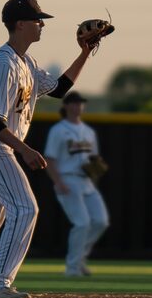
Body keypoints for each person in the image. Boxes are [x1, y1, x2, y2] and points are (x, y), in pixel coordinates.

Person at [0, 0, 97, 298]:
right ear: (19, 24)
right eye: (37, 19)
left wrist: (84, 53)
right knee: (25, 208)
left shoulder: (25, 62)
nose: (42, 24)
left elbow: (57, 89)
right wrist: (25, 150)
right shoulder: (3, 64)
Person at [44, 91, 110, 277]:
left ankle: (79, 258)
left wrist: (95, 176)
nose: (77, 106)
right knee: (82, 223)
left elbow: (93, 159)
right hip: (67, 178)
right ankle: (72, 267)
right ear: (66, 106)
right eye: (73, 103)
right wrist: (58, 182)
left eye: (80, 103)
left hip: (87, 181)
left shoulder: (88, 132)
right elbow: (50, 158)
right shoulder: (59, 130)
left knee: (101, 221)